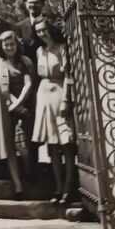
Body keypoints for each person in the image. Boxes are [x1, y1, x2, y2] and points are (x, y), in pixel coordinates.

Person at [32, 17, 77, 205]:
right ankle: (58, 188)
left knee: (65, 143)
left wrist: (66, 99)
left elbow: (68, 75)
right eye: (38, 31)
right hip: (44, 96)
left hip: (59, 93)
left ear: (50, 29)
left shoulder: (62, 49)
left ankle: (69, 188)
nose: (42, 34)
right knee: (52, 146)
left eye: (44, 30)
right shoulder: (39, 51)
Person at [0, 30, 34, 199]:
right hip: (5, 111)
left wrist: (19, 105)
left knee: (25, 147)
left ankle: (29, 173)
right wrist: (13, 105)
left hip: (25, 109)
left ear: (17, 44)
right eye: (6, 44)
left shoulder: (25, 61)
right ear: (1, 46)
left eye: (12, 44)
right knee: (11, 148)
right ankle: (18, 186)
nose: (9, 47)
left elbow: (29, 85)